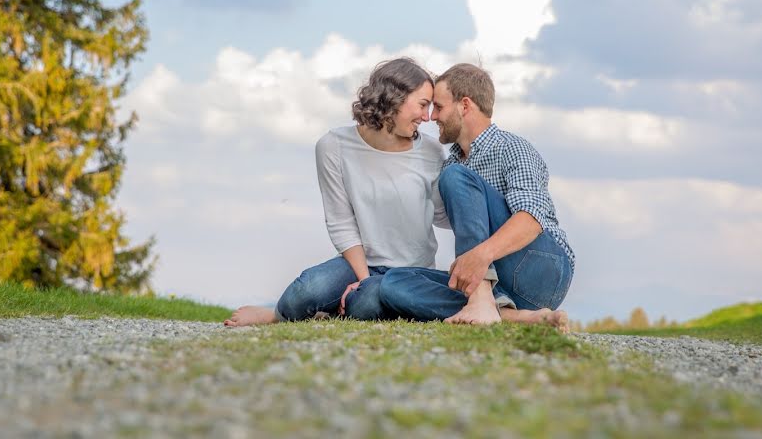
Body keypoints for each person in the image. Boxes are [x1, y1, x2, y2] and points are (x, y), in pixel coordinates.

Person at [225, 58, 448, 326]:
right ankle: (277, 314)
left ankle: (338, 309)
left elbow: (441, 213)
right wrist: (364, 279)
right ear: (394, 98)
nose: (427, 117)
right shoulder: (334, 146)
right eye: (423, 105)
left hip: (410, 271)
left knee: (366, 305)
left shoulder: (431, 152)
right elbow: (341, 222)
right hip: (359, 264)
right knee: (304, 293)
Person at [379, 63, 574, 328]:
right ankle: (508, 315)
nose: (432, 116)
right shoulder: (451, 163)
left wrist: (479, 257)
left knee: (455, 176)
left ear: (465, 105)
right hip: (500, 282)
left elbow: (531, 220)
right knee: (393, 283)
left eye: (439, 106)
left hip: (542, 269)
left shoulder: (513, 148)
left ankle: (482, 297)